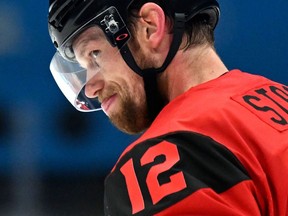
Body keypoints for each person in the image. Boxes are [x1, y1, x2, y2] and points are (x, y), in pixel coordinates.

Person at [48, 0, 288, 215]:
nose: (90, 88)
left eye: (95, 53)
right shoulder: (279, 98)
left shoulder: (165, 159)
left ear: (150, 27)